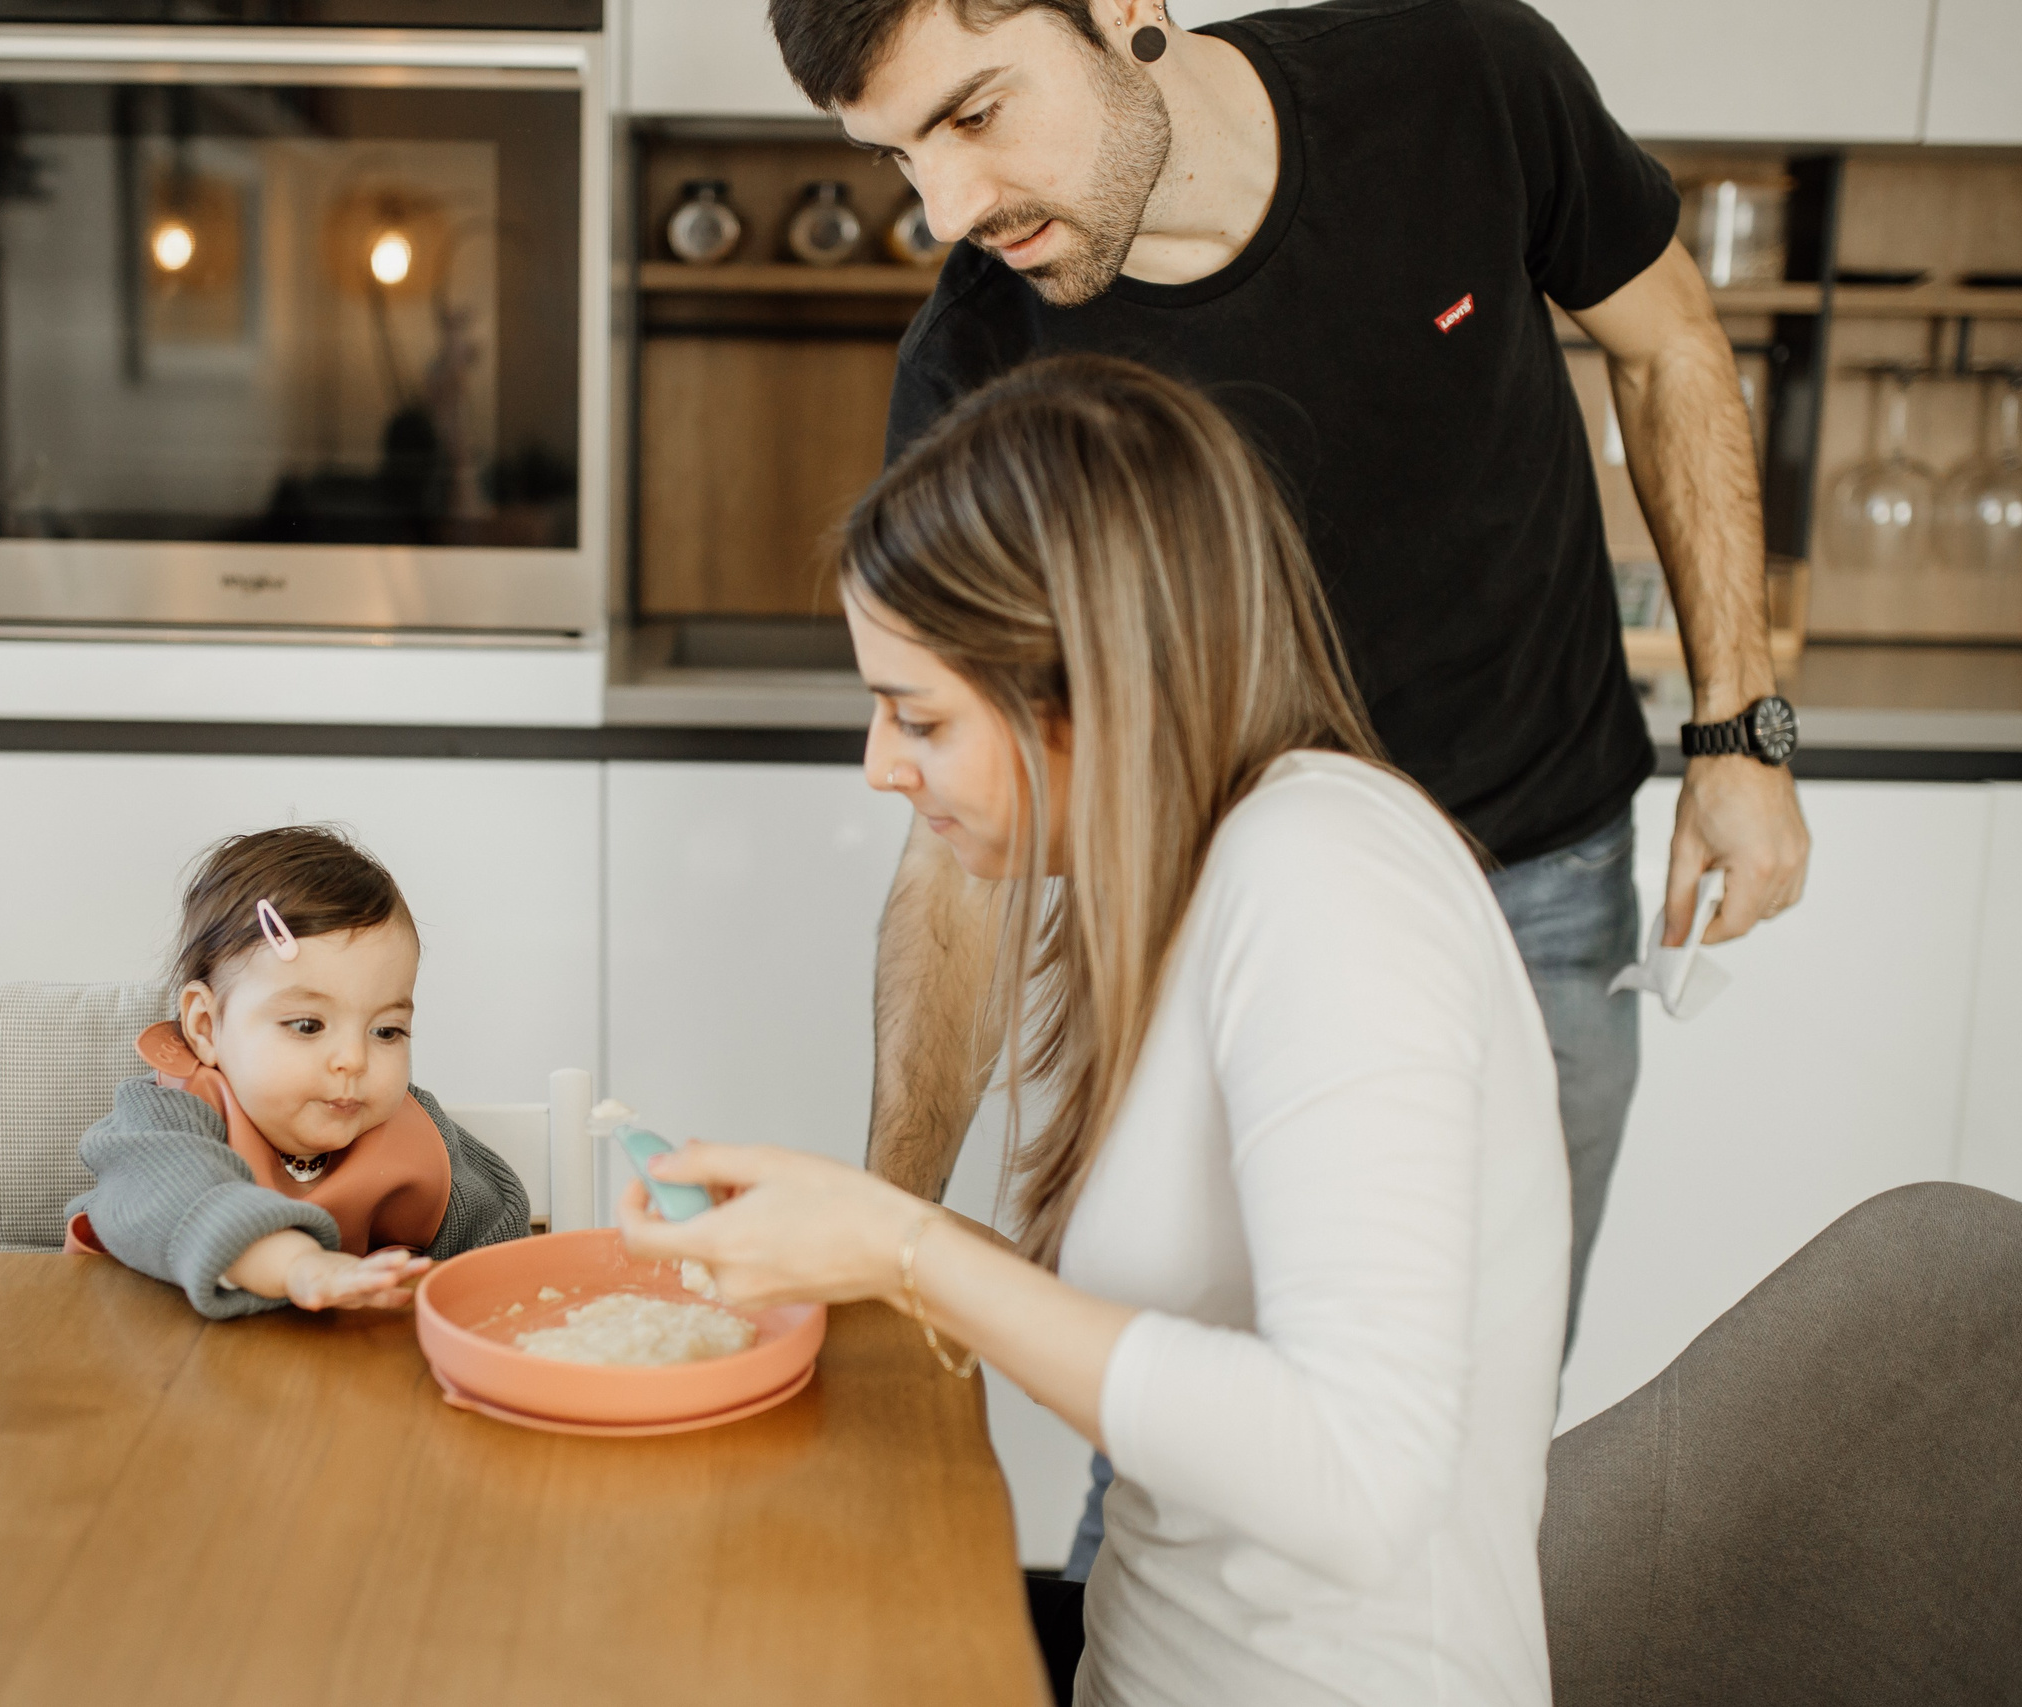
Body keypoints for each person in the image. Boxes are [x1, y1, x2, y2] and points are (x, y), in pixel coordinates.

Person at [766, 0, 1812, 1335]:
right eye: (901, 157)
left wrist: (1739, 732)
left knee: (1481, 1382)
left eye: (976, 113)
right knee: (1196, 1384)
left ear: (1124, 11)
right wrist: (883, 1232)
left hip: (1540, 882)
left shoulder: (1465, 82)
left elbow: (1669, 345)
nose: (949, 208)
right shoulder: (981, 361)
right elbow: (962, 812)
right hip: (1226, 927)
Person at [624, 355, 1573, 1706]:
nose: (880, 766)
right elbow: (1159, 1328)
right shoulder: (1183, 877)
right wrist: (842, 1229)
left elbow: (1360, 1475)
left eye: (918, 716)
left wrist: (903, 1246)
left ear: (1094, 688)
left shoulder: (1327, 882)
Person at [65, 825, 530, 1317]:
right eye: (308, 1025)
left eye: (386, 1031)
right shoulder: (165, 1117)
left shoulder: (416, 1136)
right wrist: (300, 1266)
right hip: (151, 1347)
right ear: (205, 1026)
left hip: (328, 1359)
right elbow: (179, 1198)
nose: (353, 1059)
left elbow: (501, 1248)